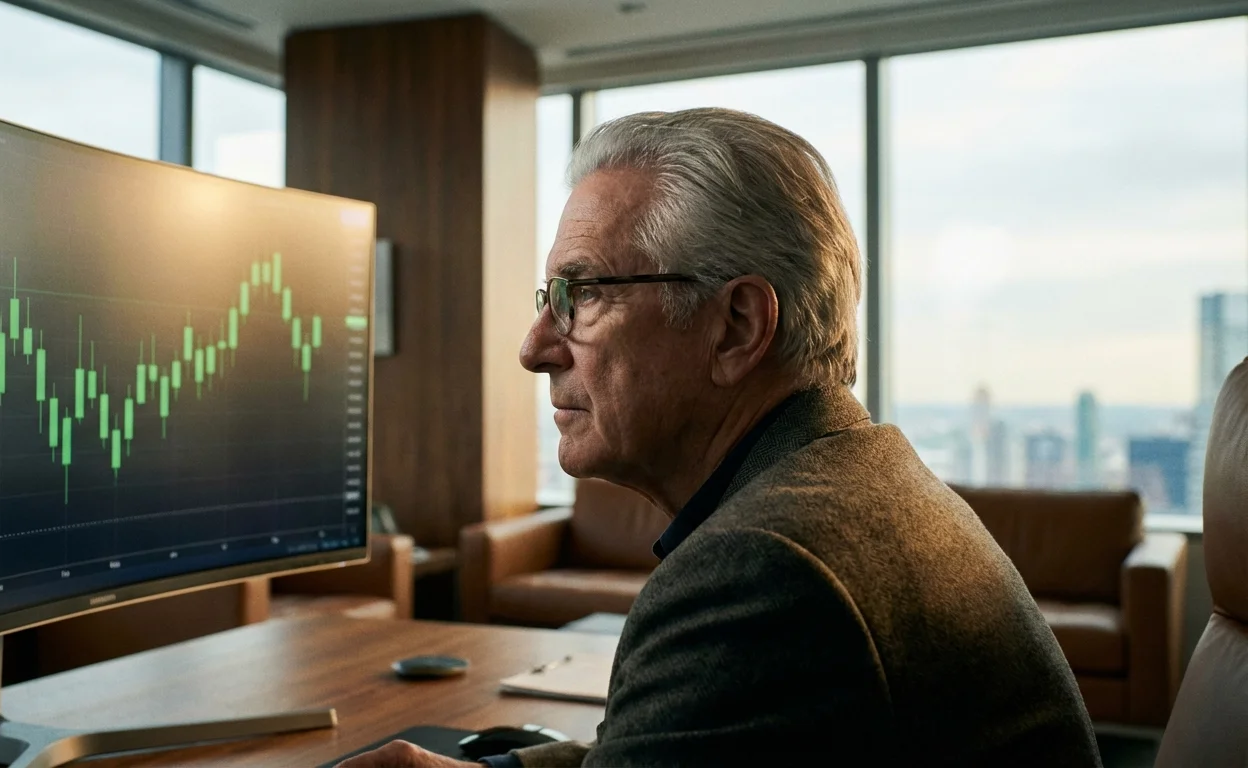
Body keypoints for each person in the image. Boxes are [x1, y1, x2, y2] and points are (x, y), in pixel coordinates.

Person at [339, 108, 1100, 767]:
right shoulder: (860, 481)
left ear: (736, 326)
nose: (535, 347)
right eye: (549, 299)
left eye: (583, 295)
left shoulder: (764, 571)